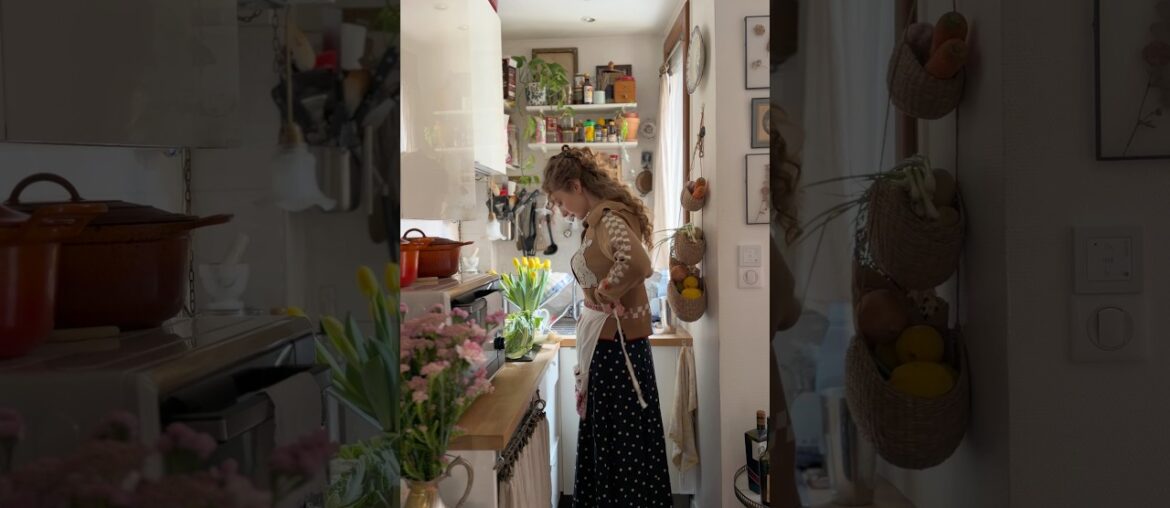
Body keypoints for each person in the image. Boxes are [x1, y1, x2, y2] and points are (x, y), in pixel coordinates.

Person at [543, 145, 672, 507]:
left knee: (622, 443)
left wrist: (604, 291)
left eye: (561, 199)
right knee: (622, 443)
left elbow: (637, 263)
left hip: (617, 350)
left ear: (576, 185)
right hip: (614, 345)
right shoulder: (599, 219)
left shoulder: (607, 217)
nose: (564, 209)